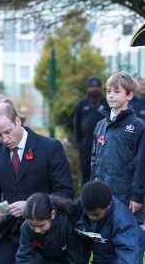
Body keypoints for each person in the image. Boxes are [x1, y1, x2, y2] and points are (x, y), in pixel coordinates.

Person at [0, 102, 74, 263]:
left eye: (7, 132)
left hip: (44, 233)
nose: (4, 139)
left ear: (18, 121)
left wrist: (31, 206)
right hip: (10, 233)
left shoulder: (50, 147)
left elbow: (65, 194)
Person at [90, 71, 145, 224]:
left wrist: (137, 196)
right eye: (108, 92)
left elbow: (141, 164)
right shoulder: (100, 126)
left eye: (116, 91)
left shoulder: (138, 126)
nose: (111, 96)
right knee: (104, 242)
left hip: (126, 197)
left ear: (129, 95)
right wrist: (92, 190)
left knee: (127, 242)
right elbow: (94, 160)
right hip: (102, 196)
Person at [76, 180, 145, 264]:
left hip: (130, 246)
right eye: (87, 213)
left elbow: (128, 254)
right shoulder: (81, 204)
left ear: (108, 205)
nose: (91, 217)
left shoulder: (122, 220)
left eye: (96, 214)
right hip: (103, 244)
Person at [15, 192, 83, 264]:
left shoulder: (68, 224)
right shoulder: (26, 228)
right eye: (32, 226)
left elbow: (75, 257)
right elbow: (25, 257)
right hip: (42, 259)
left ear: (52, 214)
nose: (37, 230)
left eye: (41, 225)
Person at [73, 76, 108, 187]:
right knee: (86, 172)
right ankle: (84, 199)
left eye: (97, 86)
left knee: (102, 171)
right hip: (85, 145)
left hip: (103, 144)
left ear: (100, 88)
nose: (95, 89)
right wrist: (78, 142)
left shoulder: (106, 103)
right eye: (92, 86)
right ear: (88, 88)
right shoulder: (81, 104)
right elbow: (76, 124)